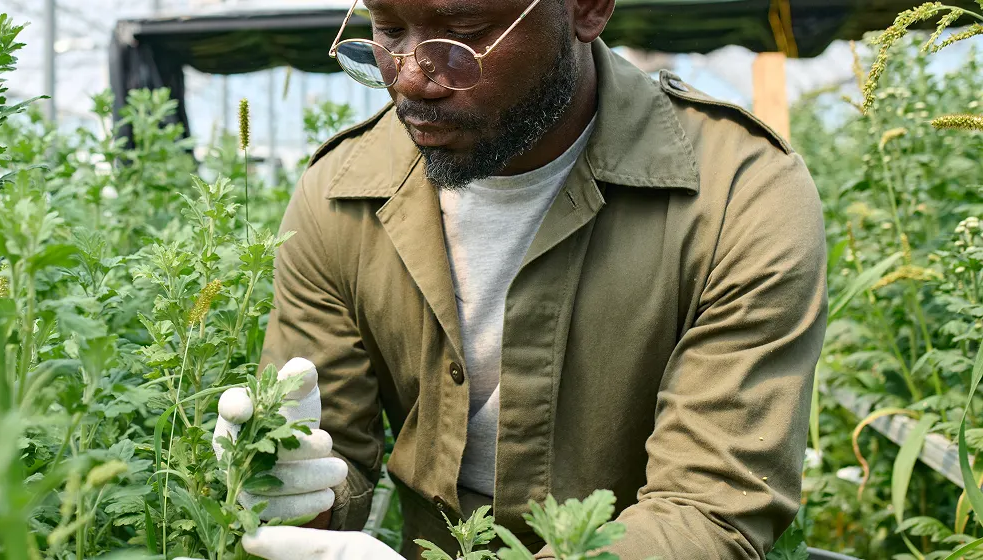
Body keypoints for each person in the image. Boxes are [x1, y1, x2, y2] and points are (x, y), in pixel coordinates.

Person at [216, 0, 828, 557]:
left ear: (587, 9)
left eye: (464, 33)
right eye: (387, 28)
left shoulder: (735, 195)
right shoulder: (341, 197)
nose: (408, 77)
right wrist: (285, 489)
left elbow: (707, 513)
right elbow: (332, 464)